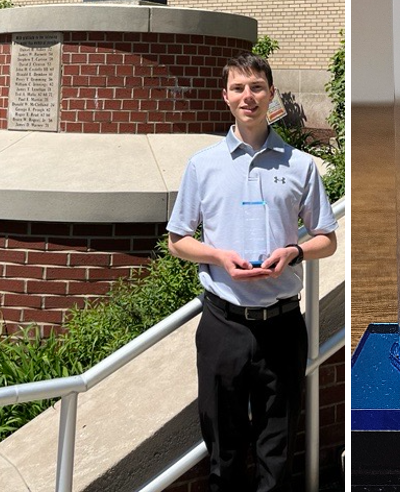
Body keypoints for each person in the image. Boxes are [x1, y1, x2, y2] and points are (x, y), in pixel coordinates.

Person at [167, 52, 338, 491]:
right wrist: (220, 257)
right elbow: (178, 239)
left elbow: (326, 237)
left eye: (256, 87)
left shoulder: (300, 165)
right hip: (223, 324)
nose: (249, 97)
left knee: (277, 447)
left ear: (271, 94)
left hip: (281, 326)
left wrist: (295, 252)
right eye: (239, 88)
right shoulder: (202, 165)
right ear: (225, 97)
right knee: (222, 448)